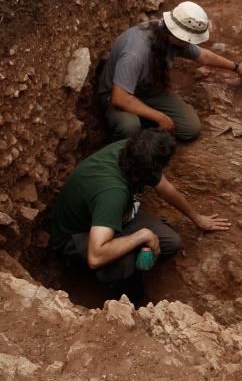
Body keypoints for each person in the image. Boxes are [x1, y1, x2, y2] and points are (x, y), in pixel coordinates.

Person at [50, 128, 231, 300]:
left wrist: (197, 218)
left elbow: (166, 189)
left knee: (171, 242)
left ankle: (130, 250)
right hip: (78, 235)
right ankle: (124, 295)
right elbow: (95, 256)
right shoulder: (113, 193)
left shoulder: (136, 154)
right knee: (126, 263)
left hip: (116, 216)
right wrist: (142, 236)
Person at [98, 1, 242, 140]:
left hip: (149, 89)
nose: (190, 43)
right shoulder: (136, 52)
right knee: (129, 128)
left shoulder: (171, 37)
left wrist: (237, 67)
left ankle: (143, 119)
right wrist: (160, 117)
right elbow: (120, 98)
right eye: (188, 39)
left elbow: (204, 56)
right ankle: (129, 146)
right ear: (175, 32)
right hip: (118, 95)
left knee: (190, 129)